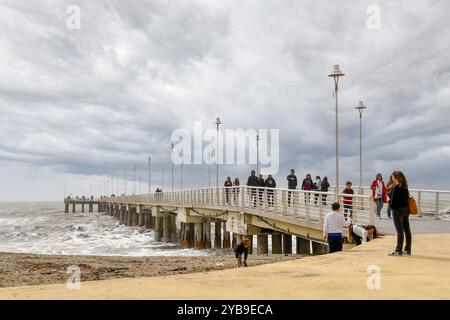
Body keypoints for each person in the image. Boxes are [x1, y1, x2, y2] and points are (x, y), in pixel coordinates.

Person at [389, 171, 412, 256]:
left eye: (392, 177)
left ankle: (398, 251)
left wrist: (390, 204)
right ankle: (407, 250)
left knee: (399, 232)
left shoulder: (396, 188)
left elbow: (393, 203)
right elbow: (406, 199)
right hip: (406, 210)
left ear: (395, 178)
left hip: (397, 211)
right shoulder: (405, 187)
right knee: (407, 230)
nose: (392, 179)